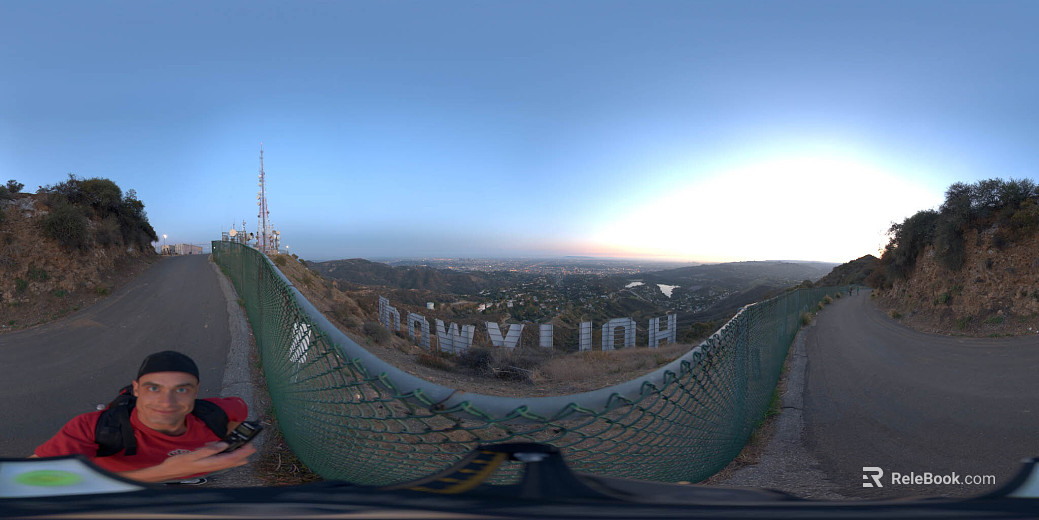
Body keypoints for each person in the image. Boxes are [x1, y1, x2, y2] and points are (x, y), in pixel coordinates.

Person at [32, 350, 257, 483]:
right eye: (153, 388)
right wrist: (162, 473)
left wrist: (229, 442)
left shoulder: (220, 411)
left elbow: (238, 416)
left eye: (181, 390)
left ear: (196, 392)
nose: (166, 403)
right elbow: (23, 484)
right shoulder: (90, 428)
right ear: (136, 389)